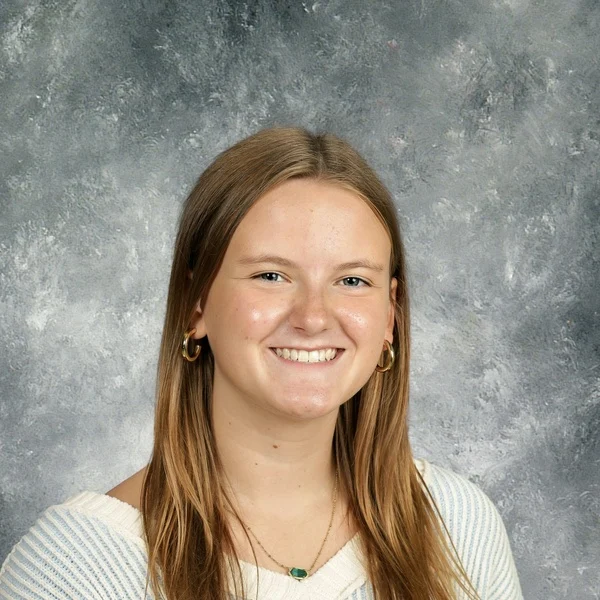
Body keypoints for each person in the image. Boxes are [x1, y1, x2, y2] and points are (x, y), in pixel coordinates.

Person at [0, 127, 523, 600]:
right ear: (196, 305)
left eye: (352, 280)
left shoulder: (459, 525)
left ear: (390, 315)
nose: (313, 317)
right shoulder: (75, 570)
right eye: (271, 276)